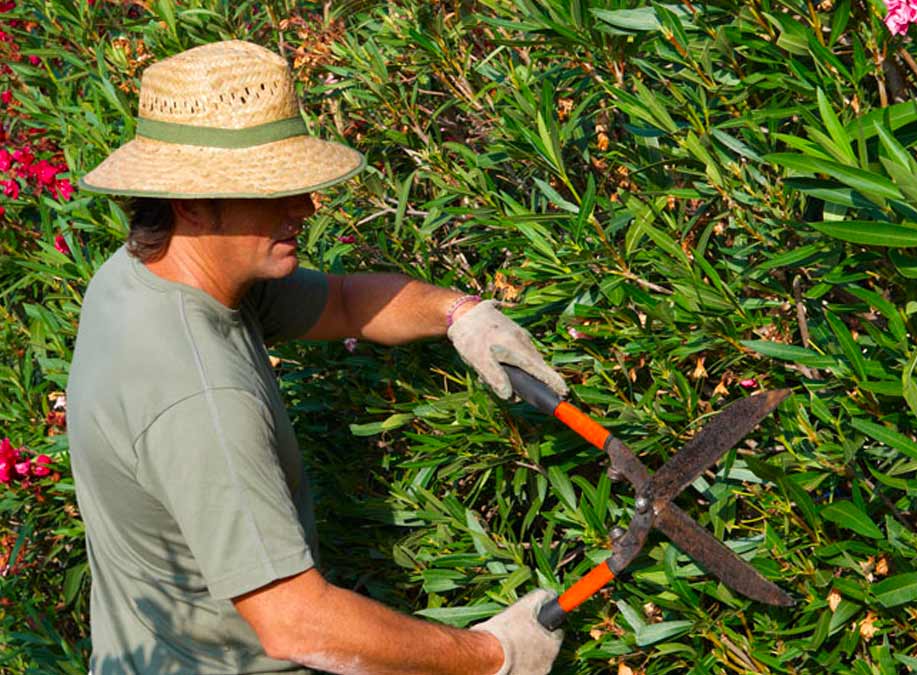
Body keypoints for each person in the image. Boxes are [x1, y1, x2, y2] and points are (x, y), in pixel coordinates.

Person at [67, 39, 564, 675]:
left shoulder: (145, 276)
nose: (305, 207)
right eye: (272, 191)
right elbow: (297, 624)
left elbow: (343, 303)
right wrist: (492, 656)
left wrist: (461, 315)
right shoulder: (199, 398)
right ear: (188, 201)